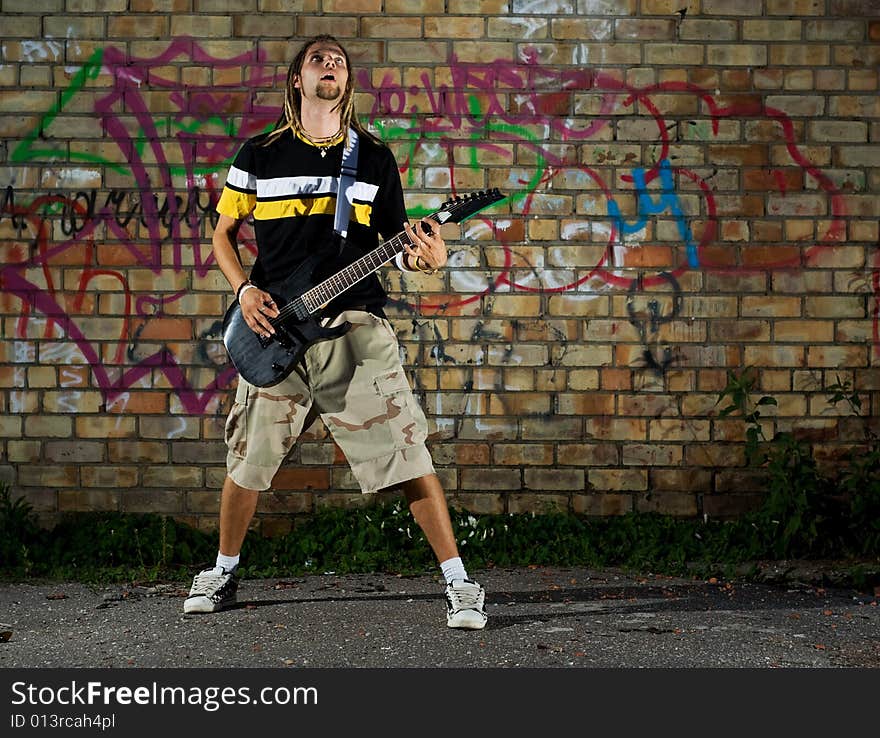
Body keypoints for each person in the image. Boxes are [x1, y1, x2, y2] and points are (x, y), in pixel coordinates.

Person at [183, 35, 487, 629]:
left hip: (355, 329)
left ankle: (459, 583)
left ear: (346, 84)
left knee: (407, 452)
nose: (331, 65)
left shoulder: (371, 157)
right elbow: (221, 235)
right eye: (319, 58)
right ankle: (222, 570)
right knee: (247, 458)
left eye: (340, 62)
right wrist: (244, 290)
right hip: (277, 332)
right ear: (297, 77)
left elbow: (397, 247)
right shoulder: (258, 154)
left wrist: (427, 257)